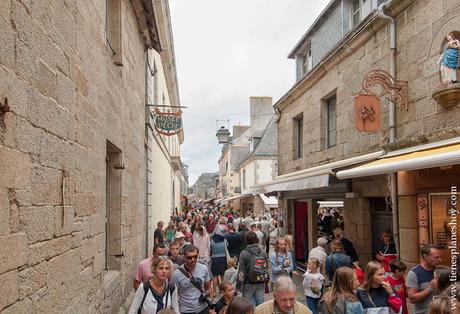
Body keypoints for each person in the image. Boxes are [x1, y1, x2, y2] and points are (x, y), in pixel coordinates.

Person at [171, 244, 212, 314]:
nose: (193, 259)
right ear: (184, 257)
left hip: (203, 309)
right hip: (186, 311)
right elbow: (174, 294)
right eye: (189, 257)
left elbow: (207, 286)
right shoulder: (176, 274)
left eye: (195, 257)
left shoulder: (204, 268)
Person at [407, 244, 442, 314]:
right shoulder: (414, 273)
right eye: (436, 257)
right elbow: (412, 299)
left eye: (440, 257)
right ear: (425, 256)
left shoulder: (441, 270)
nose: (440, 260)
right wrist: (430, 288)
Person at [237, 231, 269, 307]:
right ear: (256, 239)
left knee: (248, 306)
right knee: (260, 305)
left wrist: (238, 286)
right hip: (260, 281)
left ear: (246, 240)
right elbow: (266, 267)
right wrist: (267, 281)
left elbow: (241, 272)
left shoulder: (244, 253)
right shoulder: (262, 251)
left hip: (248, 282)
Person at [210, 228, 229, 298]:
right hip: (223, 259)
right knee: (222, 276)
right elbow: (227, 246)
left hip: (214, 259)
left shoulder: (212, 241)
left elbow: (210, 248)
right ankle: (223, 291)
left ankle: (214, 292)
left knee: (215, 277)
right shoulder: (224, 240)